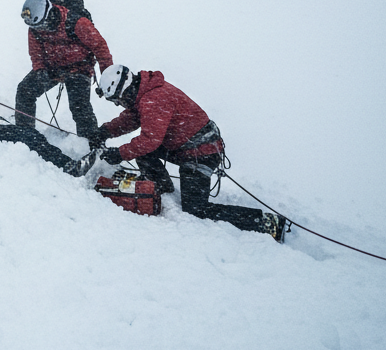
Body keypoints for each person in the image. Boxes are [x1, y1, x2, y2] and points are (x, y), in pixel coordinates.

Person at [97, 64, 288, 241]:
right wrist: (105, 131)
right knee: (143, 151)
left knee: (196, 209)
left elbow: (149, 140)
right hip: (184, 146)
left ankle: (266, 222)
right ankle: (162, 187)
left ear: (127, 89)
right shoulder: (144, 94)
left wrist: (120, 153)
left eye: (118, 100)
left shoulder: (153, 99)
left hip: (201, 153)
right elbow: (131, 119)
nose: (120, 104)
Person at [16, 0, 114, 149]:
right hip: (53, 67)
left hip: (79, 68)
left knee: (79, 107)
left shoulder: (77, 23)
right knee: (25, 91)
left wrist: (107, 78)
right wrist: (40, 68)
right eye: (37, 27)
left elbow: (101, 49)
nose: (40, 30)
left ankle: (92, 145)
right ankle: (24, 132)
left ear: (49, 14)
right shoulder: (34, 27)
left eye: (43, 25)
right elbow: (36, 52)